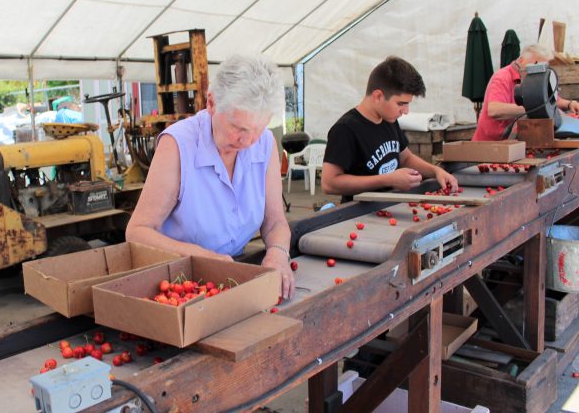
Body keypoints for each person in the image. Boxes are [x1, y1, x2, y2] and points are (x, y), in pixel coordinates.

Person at [126, 54, 295, 299]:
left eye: (257, 130)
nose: (247, 141)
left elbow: (274, 221)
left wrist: (278, 254)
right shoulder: (178, 146)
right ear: (212, 103)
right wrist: (204, 258)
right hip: (177, 284)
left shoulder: (265, 144)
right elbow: (137, 231)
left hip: (230, 275)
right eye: (239, 128)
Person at [321, 56, 458, 202]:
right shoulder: (345, 129)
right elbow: (329, 184)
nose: (405, 111)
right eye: (400, 104)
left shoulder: (389, 119)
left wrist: (436, 171)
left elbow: (405, 158)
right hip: (359, 214)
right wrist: (387, 179)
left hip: (391, 206)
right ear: (378, 96)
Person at [473, 44, 579, 141]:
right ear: (521, 60)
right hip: (490, 146)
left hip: (515, 142)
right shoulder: (502, 77)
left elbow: (549, 98)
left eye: (543, 65)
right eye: (536, 63)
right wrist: (534, 109)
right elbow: (494, 110)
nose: (540, 69)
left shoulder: (535, 77)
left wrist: (570, 104)